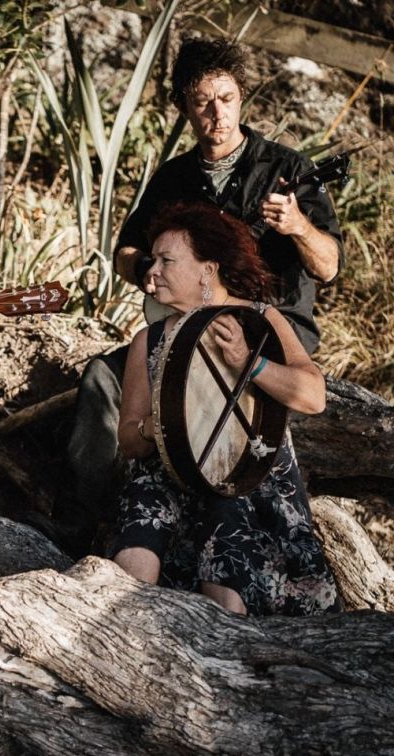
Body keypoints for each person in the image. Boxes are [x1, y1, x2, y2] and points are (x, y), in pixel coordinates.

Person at [61, 37, 344, 556]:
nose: (218, 113)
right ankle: (87, 518)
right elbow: (126, 249)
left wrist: (299, 226)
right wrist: (149, 268)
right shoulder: (174, 177)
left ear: (242, 97)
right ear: (184, 108)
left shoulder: (289, 169)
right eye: (202, 102)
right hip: (185, 327)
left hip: (267, 330)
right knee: (102, 376)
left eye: (228, 97)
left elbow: (328, 266)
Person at [111, 201, 339, 616]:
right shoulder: (148, 340)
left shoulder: (260, 320)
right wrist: (154, 429)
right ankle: (123, 622)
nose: (152, 271)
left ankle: (231, 640)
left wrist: (251, 363)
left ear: (207, 270)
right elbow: (128, 440)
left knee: (227, 509)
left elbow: (313, 396)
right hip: (168, 477)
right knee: (141, 525)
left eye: (166, 261)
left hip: (247, 475)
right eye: (153, 260)